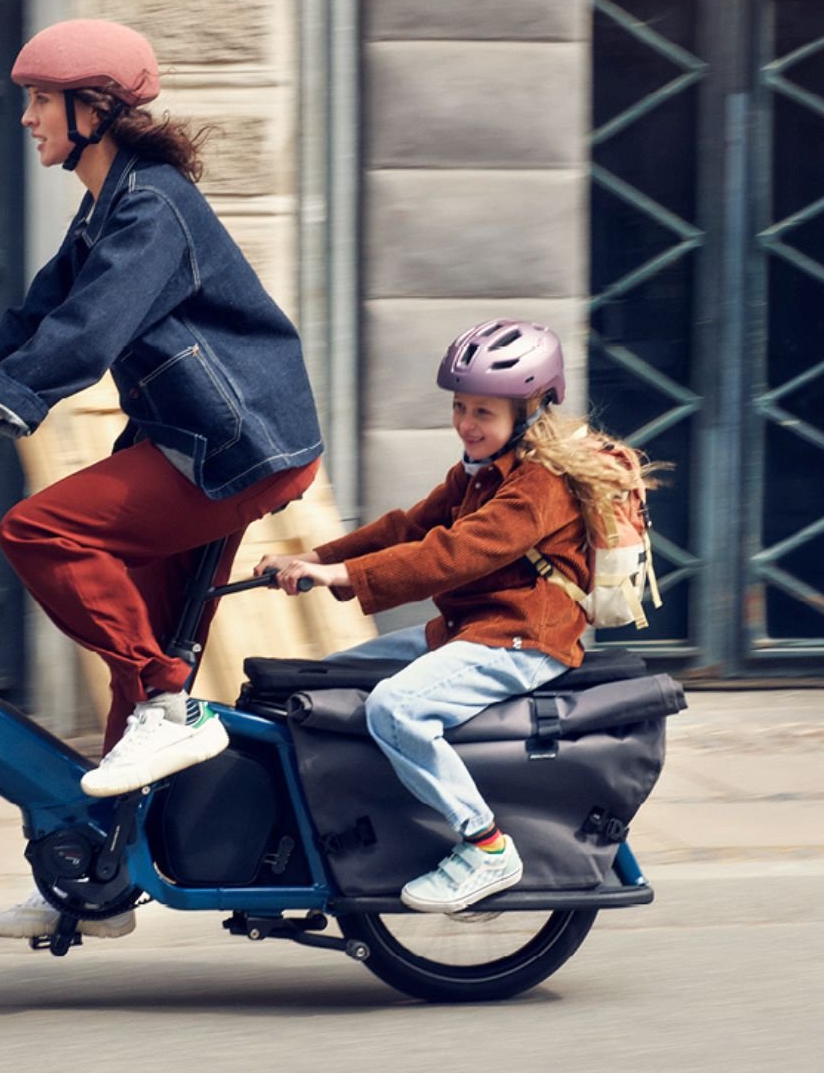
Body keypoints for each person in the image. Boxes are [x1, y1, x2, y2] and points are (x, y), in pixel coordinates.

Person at [0, 19, 323, 938]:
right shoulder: (108, 203)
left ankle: (171, 705)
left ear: (92, 109)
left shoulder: (156, 208)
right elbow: (30, 321)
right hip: (194, 439)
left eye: (39, 99)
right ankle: (102, 876)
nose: (26, 117)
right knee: (128, 662)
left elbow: (86, 335)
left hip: (237, 449)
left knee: (42, 532)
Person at [259, 319, 657, 912]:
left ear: (531, 412)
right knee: (332, 677)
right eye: (460, 407)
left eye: (484, 413)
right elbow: (410, 528)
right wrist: (317, 556)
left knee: (397, 709)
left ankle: (486, 847)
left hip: (522, 639)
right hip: (469, 631)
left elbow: (455, 554)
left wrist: (346, 577)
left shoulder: (540, 485)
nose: (467, 424)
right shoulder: (478, 471)